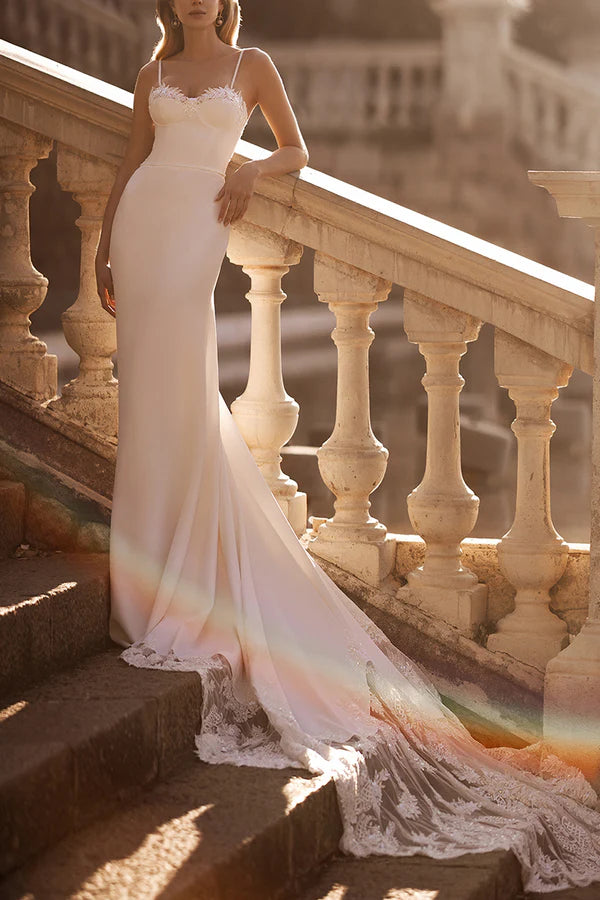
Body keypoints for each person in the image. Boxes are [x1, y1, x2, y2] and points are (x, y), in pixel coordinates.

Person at [95, 1, 600, 892]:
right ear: (173, 2)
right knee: (153, 406)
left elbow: (298, 151)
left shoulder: (252, 65)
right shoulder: (151, 75)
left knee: (183, 385)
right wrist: (103, 245)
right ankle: (145, 578)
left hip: (195, 234)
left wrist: (252, 168)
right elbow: (131, 164)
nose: (200, 2)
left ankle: (185, 573)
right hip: (142, 228)